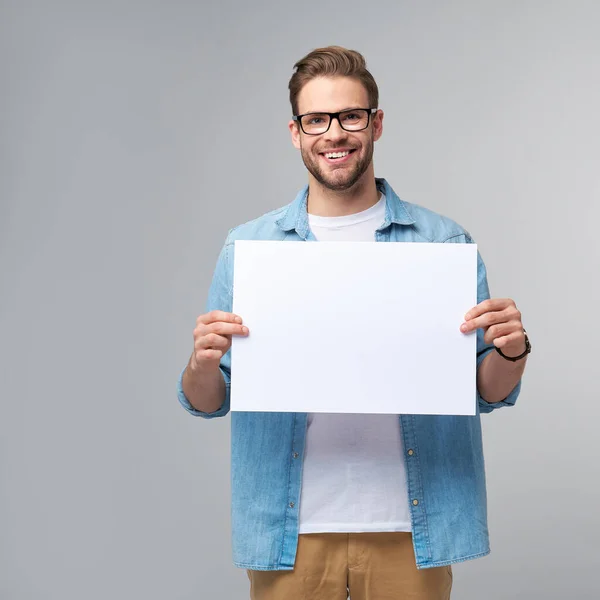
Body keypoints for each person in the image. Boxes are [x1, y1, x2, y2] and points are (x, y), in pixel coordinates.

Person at [177, 46, 531, 600]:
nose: (334, 134)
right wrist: (200, 361)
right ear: (295, 132)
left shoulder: (443, 244)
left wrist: (511, 352)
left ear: (376, 123)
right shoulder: (250, 248)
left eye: (350, 116)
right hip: (288, 530)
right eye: (316, 119)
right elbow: (208, 399)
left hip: (410, 528)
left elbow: (481, 391)